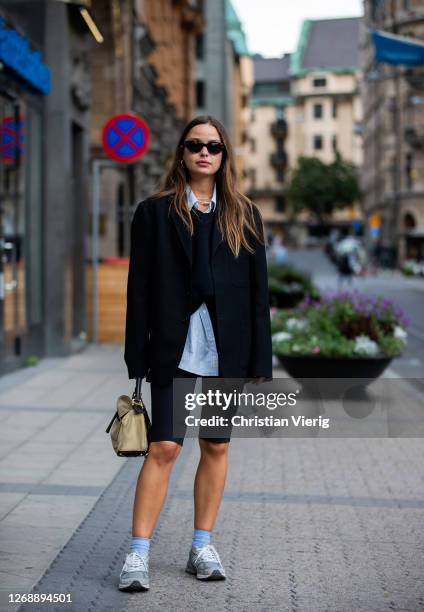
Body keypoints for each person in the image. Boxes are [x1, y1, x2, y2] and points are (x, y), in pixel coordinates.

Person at [119, 115, 273, 591]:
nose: (204, 153)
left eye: (213, 146)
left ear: (225, 155)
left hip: (226, 350)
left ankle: (202, 545)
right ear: (182, 153)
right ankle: (138, 554)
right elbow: (138, 288)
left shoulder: (244, 214)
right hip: (174, 347)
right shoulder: (154, 212)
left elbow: (256, 290)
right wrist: (135, 355)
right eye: (194, 145)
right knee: (164, 446)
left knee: (216, 445)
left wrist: (259, 363)